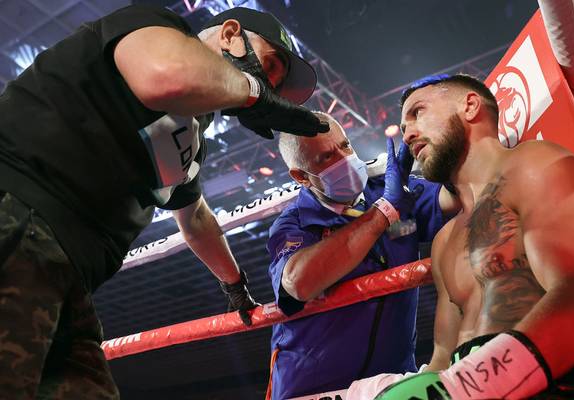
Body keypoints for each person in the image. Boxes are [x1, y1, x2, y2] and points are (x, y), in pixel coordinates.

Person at [0, 4, 329, 399]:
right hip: (18, 214)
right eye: (272, 65)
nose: (271, 83)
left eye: (275, 83)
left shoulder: (193, 137)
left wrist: (235, 286)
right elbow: (164, 76)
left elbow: (195, 218)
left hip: (68, 272)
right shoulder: (155, 26)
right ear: (230, 34)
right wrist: (254, 90)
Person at [347, 74, 574, 399]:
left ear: (470, 105)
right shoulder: (445, 240)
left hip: (555, 383)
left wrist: (462, 386)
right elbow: (442, 358)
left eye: (418, 112)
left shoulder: (532, 164)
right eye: (404, 126)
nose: (407, 134)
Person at [266, 112, 460, 399]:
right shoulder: (294, 223)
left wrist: (441, 157)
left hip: (392, 379)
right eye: (326, 157)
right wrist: (384, 212)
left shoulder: (392, 189)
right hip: (314, 390)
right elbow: (298, 283)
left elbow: (455, 199)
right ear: (301, 176)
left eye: (345, 146)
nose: (344, 159)